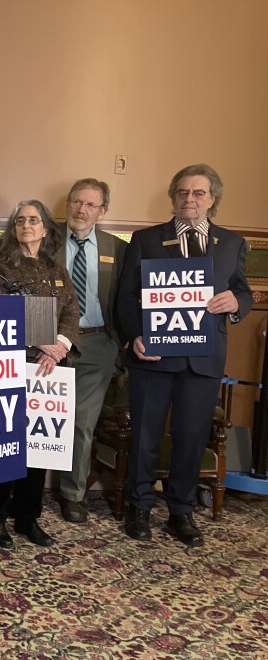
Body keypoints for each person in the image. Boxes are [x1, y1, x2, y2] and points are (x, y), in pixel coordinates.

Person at [115, 164, 252, 547]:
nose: (189, 199)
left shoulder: (232, 243)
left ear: (213, 200)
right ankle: (139, 507)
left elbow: (243, 293)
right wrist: (135, 335)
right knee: (145, 434)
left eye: (198, 193)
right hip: (153, 356)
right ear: (172, 197)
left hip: (203, 359)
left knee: (192, 437)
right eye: (182, 192)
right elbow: (126, 297)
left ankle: (181, 511)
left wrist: (235, 303)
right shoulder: (145, 240)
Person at [0, 200, 79, 550]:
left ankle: (28, 518)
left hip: (50, 370)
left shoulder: (57, 269)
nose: (26, 225)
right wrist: (39, 342)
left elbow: (71, 311)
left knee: (39, 448)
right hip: (12, 366)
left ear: (46, 228)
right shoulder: (0, 267)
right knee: (8, 446)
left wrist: (60, 346)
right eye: (20, 220)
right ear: (13, 229)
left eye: (33, 220)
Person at [55, 179, 127, 523]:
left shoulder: (118, 247)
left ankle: (73, 495)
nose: (81, 210)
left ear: (102, 211)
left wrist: (121, 343)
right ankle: (26, 492)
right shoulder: (46, 239)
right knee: (42, 416)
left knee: (82, 423)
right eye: (76, 202)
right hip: (50, 342)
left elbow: (127, 299)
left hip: (97, 344)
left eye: (90, 205)